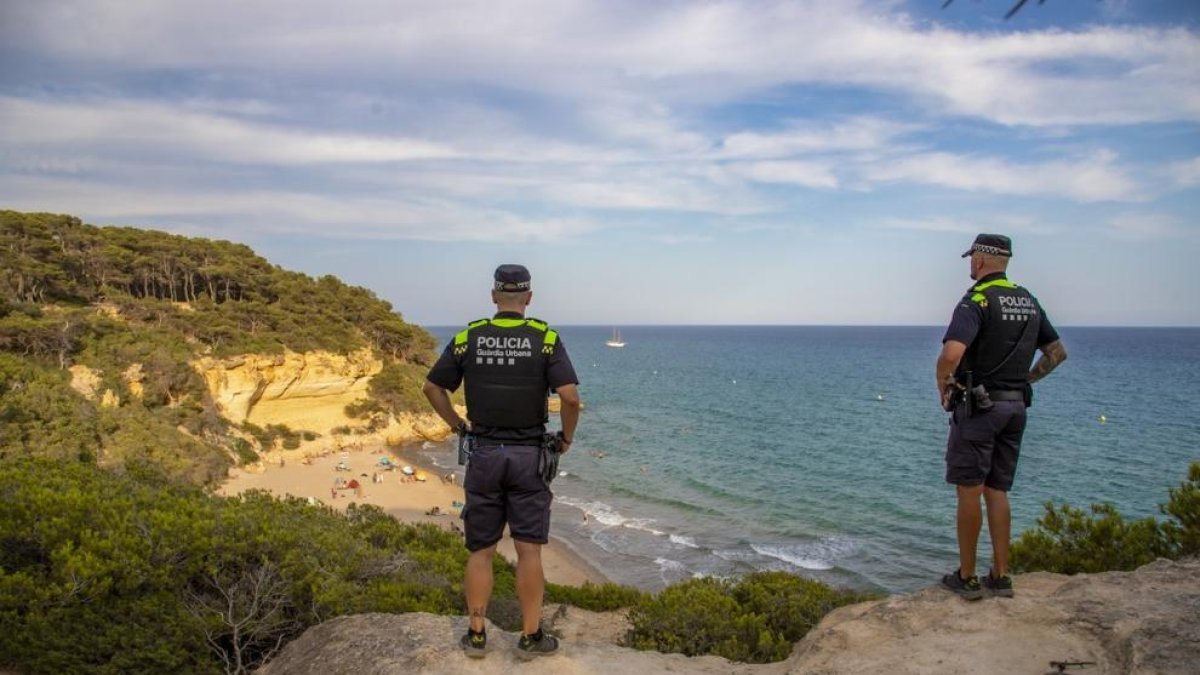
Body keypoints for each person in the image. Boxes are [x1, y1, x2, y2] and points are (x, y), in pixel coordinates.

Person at [423, 264, 581, 659]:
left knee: (482, 550)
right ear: (528, 298)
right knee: (529, 551)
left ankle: (476, 635)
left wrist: (459, 426)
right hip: (530, 457)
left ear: (494, 296)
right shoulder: (545, 339)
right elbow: (571, 397)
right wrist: (565, 438)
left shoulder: (468, 337)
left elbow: (432, 387)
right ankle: (530, 637)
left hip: (485, 455)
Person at [936, 234, 1067, 600]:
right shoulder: (1028, 300)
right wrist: (1025, 379)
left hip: (980, 408)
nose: (969, 264)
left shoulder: (977, 299)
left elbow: (951, 354)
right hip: (1016, 407)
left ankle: (967, 577)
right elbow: (1057, 353)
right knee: (998, 490)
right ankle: (1001, 575)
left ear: (981, 259)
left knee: (969, 490)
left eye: (971, 257)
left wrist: (943, 385)